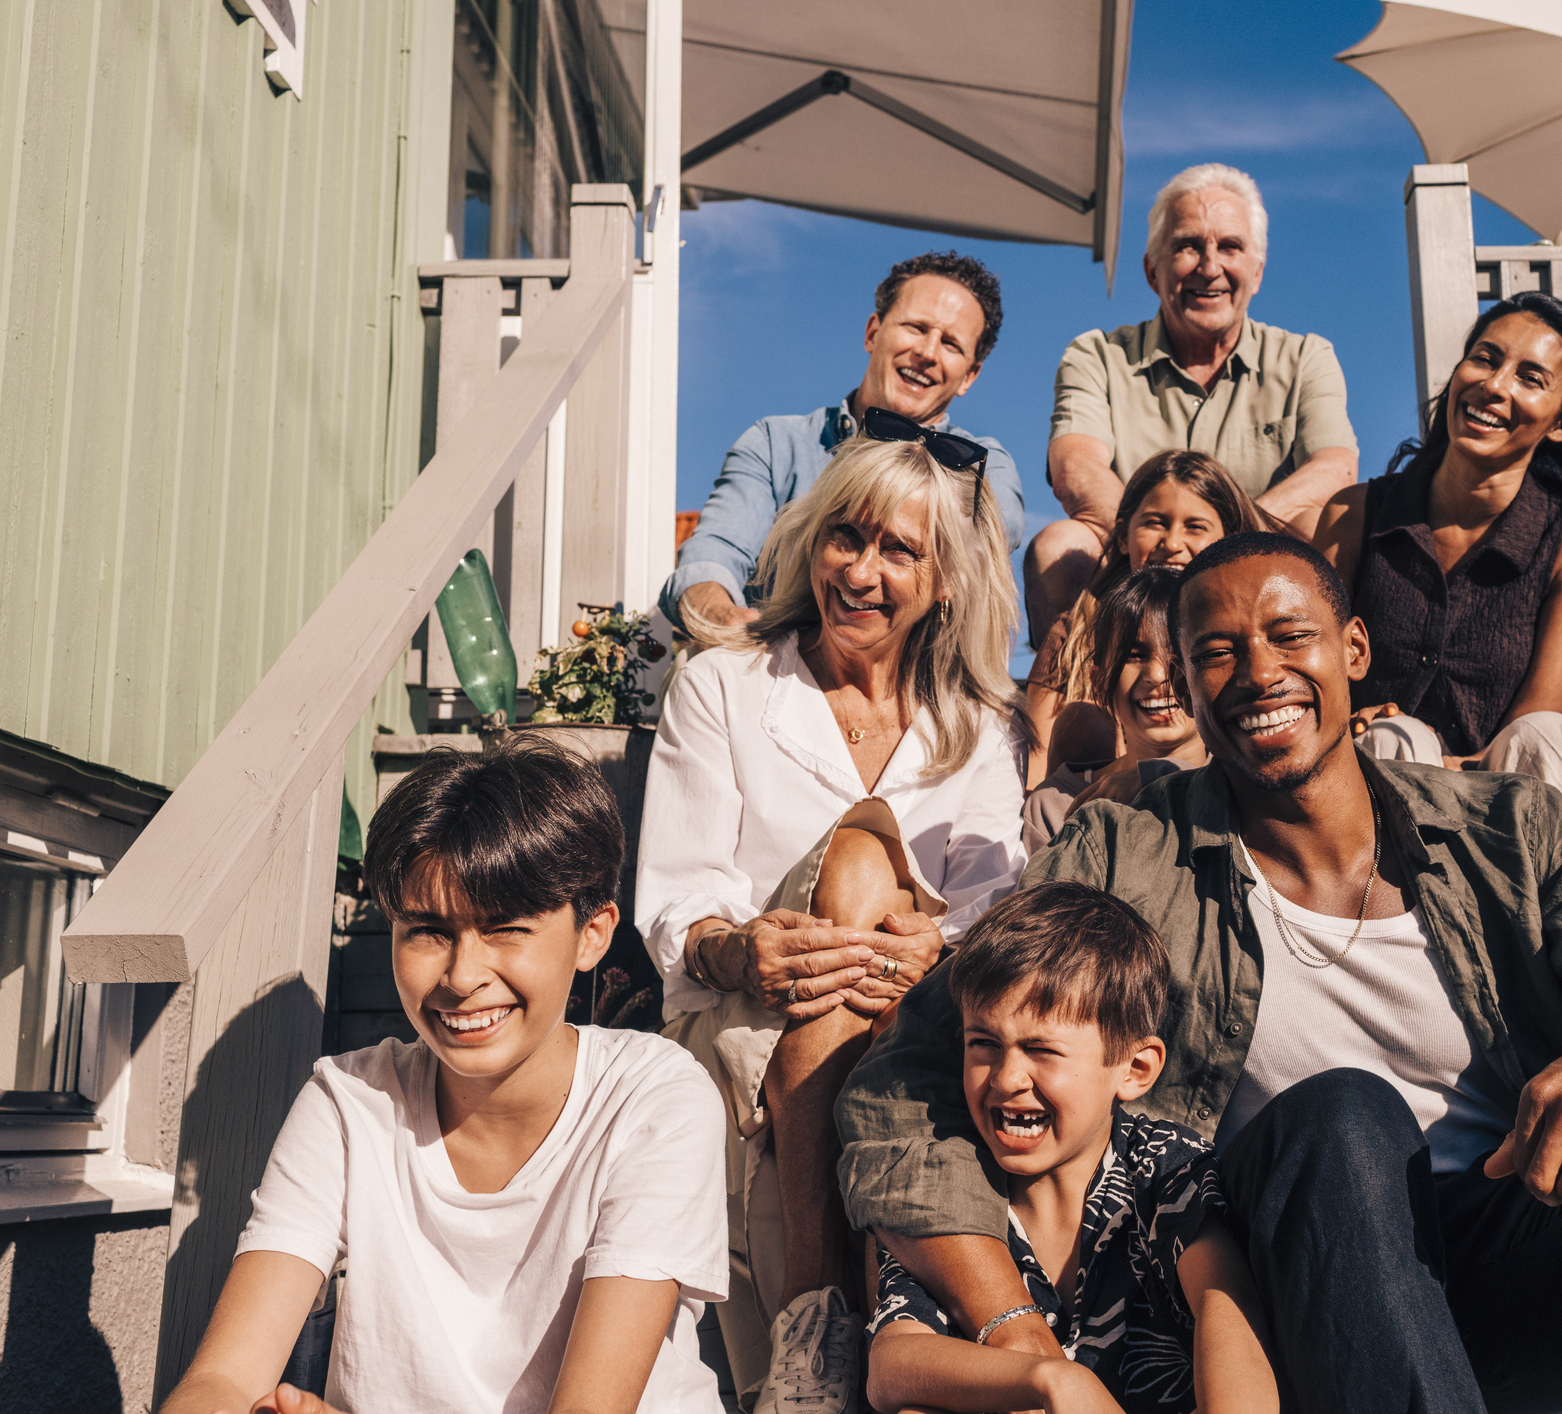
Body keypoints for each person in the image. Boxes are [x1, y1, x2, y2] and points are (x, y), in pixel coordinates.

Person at [839, 533, 1562, 1414]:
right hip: (1303, 1280)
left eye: (1288, 636)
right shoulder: (1126, 851)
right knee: (1340, 1114)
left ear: (1352, 648)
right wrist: (1014, 1328)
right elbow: (909, 1074)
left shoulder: (1505, 831)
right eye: (1216, 652)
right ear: (1189, 686)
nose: (1257, 673)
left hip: (1525, 1245)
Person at [637, 430, 1028, 1414]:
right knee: (861, 852)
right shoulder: (722, 685)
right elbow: (678, 893)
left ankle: (813, 1327)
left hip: (910, 1017)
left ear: (942, 580)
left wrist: (928, 946)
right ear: (809, 542)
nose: (861, 570)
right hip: (746, 1013)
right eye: (844, 537)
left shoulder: (973, 725)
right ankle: (845, 1305)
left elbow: (991, 896)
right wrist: (741, 944)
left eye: (898, 550)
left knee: (870, 870)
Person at [161, 738, 728, 1414]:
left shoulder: (655, 1098)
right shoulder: (349, 1104)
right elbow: (222, 1378)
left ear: (592, 934)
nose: (462, 977)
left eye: (506, 929)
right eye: (428, 931)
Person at [1306, 291, 1562, 867]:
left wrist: (1446, 768)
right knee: (1396, 739)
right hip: (1369, 801)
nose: (1495, 386)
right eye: (1486, 359)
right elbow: (1312, 671)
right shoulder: (1355, 513)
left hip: (1509, 808)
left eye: (1530, 378)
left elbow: (1520, 736)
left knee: (1550, 735)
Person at [865, 881, 1278, 1414]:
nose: (1008, 1077)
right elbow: (893, 1363)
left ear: (1135, 1069)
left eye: (1042, 1049)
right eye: (983, 1043)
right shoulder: (950, 1186)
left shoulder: (1163, 1167)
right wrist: (1054, 1379)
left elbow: (1226, 1302)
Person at [1025, 164, 1358, 647]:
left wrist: (1222, 546)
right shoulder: (1097, 355)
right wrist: (1156, 547)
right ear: (1152, 270)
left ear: (1258, 272)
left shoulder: (1307, 358)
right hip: (1130, 578)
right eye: (1187, 245)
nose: (1209, 266)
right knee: (1060, 545)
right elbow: (1075, 466)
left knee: (1321, 527)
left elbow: (1336, 469)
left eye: (1230, 246)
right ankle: (1070, 711)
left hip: (1258, 577)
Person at [661, 251, 1026, 638]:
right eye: (916, 327)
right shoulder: (774, 444)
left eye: (951, 343)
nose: (927, 352)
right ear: (873, 332)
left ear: (969, 375)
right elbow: (715, 552)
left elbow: (981, 550)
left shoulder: (984, 467)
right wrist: (723, 617)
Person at [1024, 449, 1262, 786]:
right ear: (1123, 537)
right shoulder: (1077, 630)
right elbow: (1036, 762)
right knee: (1082, 722)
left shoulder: (1250, 631)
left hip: (1222, 801)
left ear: (1228, 541)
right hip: (1099, 808)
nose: (1172, 542)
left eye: (1194, 527)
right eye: (1155, 523)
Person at [1022, 567, 1205, 855]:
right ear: (1099, 681)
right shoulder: (1055, 804)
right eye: (1134, 655)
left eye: (1176, 652)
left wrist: (1158, 779)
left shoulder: (1246, 783)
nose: (1157, 675)